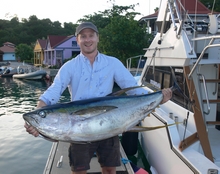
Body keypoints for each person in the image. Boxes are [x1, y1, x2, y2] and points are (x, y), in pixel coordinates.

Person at [24, 22, 172, 174]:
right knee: (78, 171)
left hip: (109, 126)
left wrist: (159, 98)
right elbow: (53, 93)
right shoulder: (69, 67)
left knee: (109, 170)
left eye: (91, 35)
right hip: (78, 133)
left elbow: (133, 90)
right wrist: (38, 116)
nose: (88, 40)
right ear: (77, 39)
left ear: (97, 38)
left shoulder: (112, 63)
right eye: (83, 36)